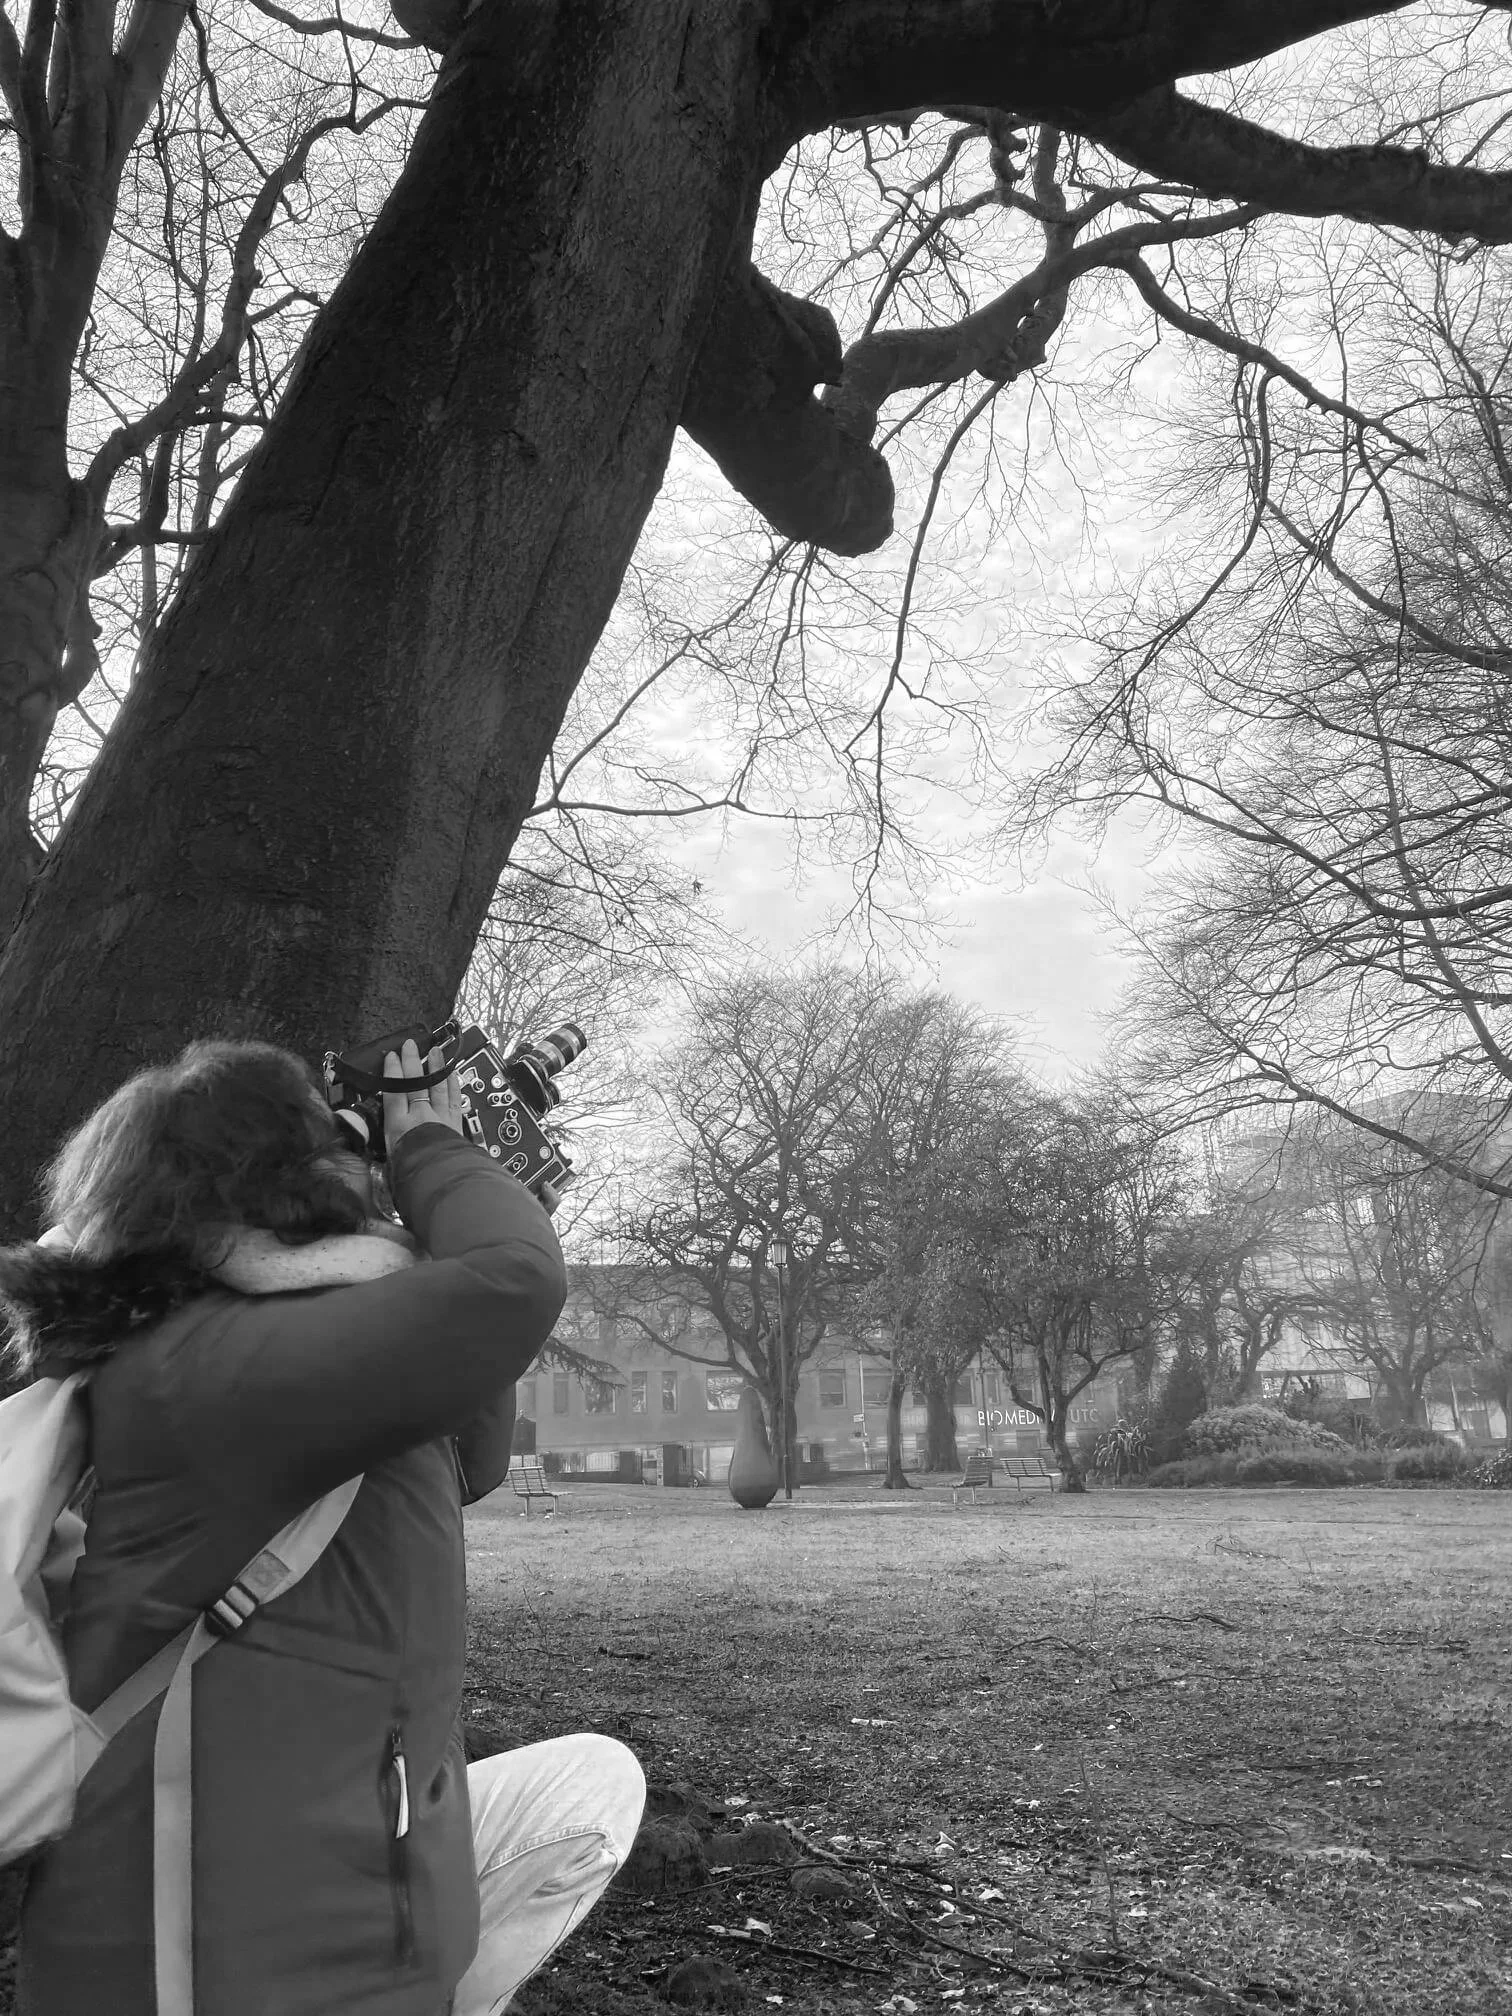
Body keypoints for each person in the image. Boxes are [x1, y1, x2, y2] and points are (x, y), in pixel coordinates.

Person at [1, 1035, 645, 2015]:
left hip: (336, 1896)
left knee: (591, 1791)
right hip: (211, 1962)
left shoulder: (280, 1356)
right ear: (273, 1179)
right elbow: (512, 1286)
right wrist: (432, 1149)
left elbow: (467, 1458)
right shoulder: (204, 1366)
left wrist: (451, 1201)